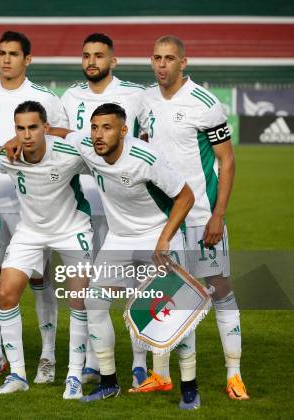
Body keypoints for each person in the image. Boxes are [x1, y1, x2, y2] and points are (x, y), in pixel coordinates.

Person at [44, 103, 198, 408]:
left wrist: (165, 239)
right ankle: (109, 381)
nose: (99, 135)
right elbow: (64, 134)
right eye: (95, 127)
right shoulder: (87, 145)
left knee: (175, 313)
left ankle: (190, 387)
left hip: (157, 235)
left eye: (108, 127)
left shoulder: (145, 158)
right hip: (118, 239)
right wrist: (22, 139)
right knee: (95, 303)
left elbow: (185, 196)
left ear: (124, 130)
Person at [138, 35, 248, 401]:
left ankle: (234, 374)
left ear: (183, 63)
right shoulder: (144, 101)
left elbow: (227, 161)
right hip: (162, 221)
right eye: (157, 57)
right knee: (175, 297)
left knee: (219, 291)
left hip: (202, 217)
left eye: (170, 58)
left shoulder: (205, 103)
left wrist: (218, 215)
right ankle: (168, 376)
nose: (162, 64)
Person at [0, 31, 68, 382]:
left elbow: (61, 141)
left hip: (33, 203)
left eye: (13, 53)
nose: (6, 59)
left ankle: (47, 355)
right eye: (1, 53)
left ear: (28, 59)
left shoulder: (45, 98)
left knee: (40, 280)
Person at [0, 101, 92, 397]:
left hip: (72, 229)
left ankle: (74, 375)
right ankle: (17, 374)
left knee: (78, 299)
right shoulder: (10, 157)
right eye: (20, 128)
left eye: (32, 127)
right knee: (5, 293)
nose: (26, 135)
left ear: (45, 127)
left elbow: (100, 154)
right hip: (30, 232)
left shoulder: (69, 153)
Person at [60, 32, 148, 387]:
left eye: (99, 55)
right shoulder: (70, 96)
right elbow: (63, 138)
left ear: (113, 61)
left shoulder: (135, 95)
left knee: (140, 286)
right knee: (92, 287)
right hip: (82, 203)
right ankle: (95, 361)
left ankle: (140, 360)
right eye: (86, 55)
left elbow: (146, 143)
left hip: (125, 204)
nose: (91, 61)